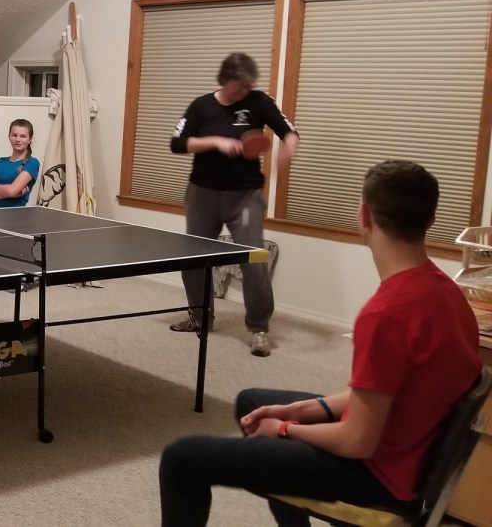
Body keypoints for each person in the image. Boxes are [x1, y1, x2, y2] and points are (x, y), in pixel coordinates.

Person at [158, 160, 481, 527]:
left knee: (182, 458)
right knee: (253, 401)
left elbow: (357, 441)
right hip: (403, 450)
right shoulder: (447, 292)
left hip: (377, 478)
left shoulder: (386, 315)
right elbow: (388, 390)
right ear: (430, 220)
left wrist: (285, 430)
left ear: (364, 216)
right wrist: (298, 410)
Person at [169, 52, 299, 357]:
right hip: (203, 194)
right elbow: (177, 143)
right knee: (195, 257)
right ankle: (199, 318)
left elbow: (288, 132)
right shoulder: (201, 106)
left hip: (245, 196)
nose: (245, 91)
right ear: (225, 79)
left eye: (249, 85)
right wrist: (215, 142)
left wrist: (287, 150)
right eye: (240, 85)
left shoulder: (259, 102)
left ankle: (259, 328)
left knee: (253, 258)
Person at [0, 119, 40, 208]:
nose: (18, 139)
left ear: (30, 139)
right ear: (9, 137)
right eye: (14, 135)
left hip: (15, 214)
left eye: (23, 136)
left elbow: (11, 191)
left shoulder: (32, 163)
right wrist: (11, 193)